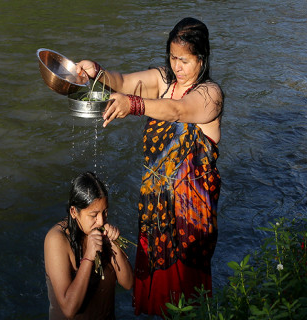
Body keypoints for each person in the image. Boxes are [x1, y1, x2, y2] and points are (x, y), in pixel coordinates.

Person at [76, 17, 223, 316]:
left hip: (191, 217)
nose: (177, 66)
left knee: (186, 301)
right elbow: (121, 82)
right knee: (159, 300)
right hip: (155, 211)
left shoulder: (210, 95)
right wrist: (96, 72)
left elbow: (177, 110)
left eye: (185, 60)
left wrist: (135, 105)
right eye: (172, 57)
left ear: (202, 58)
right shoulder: (162, 81)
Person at [44, 171, 134, 319]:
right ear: (74, 211)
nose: (101, 221)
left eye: (105, 212)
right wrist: (88, 257)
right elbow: (69, 309)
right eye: (94, 215)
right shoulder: (57, 240)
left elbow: (128, 283)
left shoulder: (102, 232)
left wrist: (114, 245)